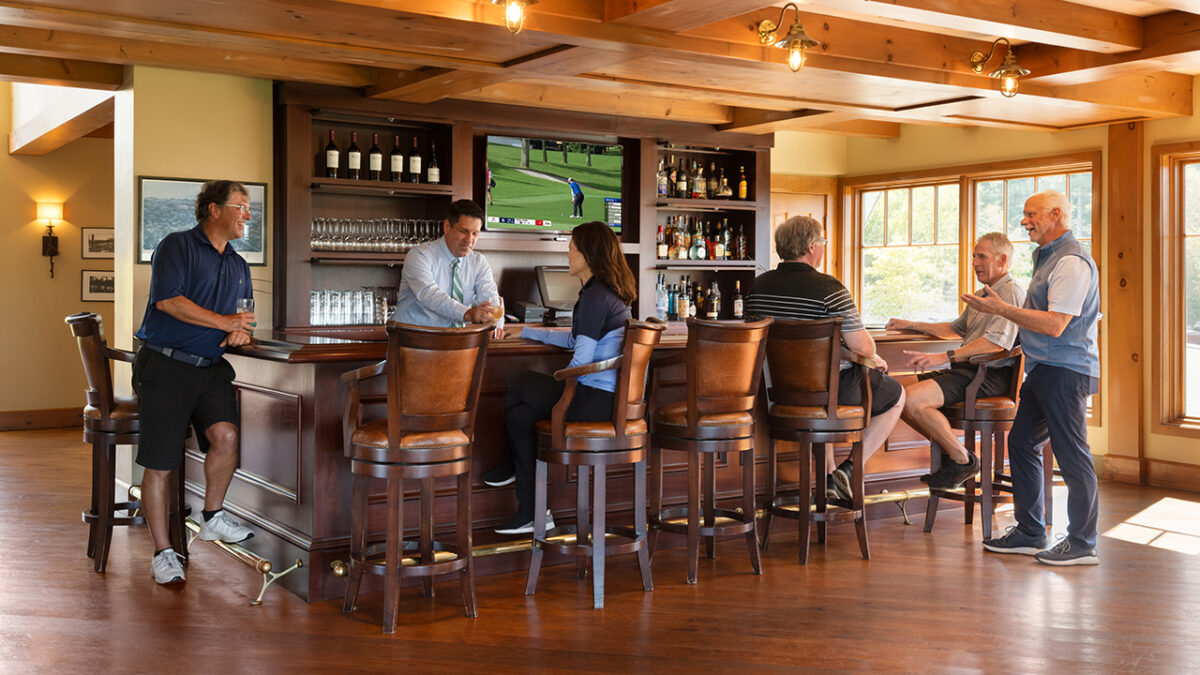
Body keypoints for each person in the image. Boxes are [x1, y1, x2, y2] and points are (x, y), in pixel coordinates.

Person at [962, 190, 1100, 566]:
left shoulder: (1071, 262)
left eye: (1031, 214)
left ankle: (1083, 542)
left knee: (1073, 456)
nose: (1024, 221)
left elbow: (1056, 325)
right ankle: (1030, 531)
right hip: (1043, 370)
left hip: (1066, 372)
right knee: (1022, 442)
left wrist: (1002, 309)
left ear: (1056, 214)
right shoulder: (1047, 258)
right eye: (1024, 215)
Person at [133, 180, 257, 585]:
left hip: (209, 367)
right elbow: (169, 301)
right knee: (162, 463)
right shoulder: (176, 246)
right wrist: (225, 323)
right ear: (213, 210)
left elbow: (242, 316)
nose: (248, 215)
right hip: (165, 367)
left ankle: (212, 515)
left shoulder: (238, 264)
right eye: (241, 207)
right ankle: (163, 552)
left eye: (248, 208)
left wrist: (241, 332)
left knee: (225, 436)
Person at [483, 221, 636, 534]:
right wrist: (523, 332)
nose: (568, 253)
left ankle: (511, 468)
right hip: (607, 400)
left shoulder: (595, 297)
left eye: (572, 247)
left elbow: (580, 362)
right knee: (519, 417)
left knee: (515, 381)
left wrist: (556, 378)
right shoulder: (606, 294)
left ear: (588, 254)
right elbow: (574, 342)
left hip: (593, 401)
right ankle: (531, 512)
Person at [745, 215, 906, 501]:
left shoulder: (757, 288)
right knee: (897, 395)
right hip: (827, 393)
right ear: (811, 247)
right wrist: (867, 356)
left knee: (825, 385)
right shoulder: (829, 289)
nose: (823, 247)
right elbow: (865, 347)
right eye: (822, 242)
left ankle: (830, 480)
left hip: (776, 396)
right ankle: (850, 469)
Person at [885, 233, 1025, 489]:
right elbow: (955, 328)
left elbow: (995, 343)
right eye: (974, 256)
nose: (974, 262)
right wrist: (911, 325)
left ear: (1003, 260)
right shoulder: (982, 294)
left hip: (989, 376)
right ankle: (957, 454)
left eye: (981, 256)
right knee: (895, 393)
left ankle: (961, 459)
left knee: (913, 400)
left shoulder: (1010, 293)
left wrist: (943, 357)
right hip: (966, 372)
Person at [394, 199, 500, 327]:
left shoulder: (478, 262)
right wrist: (467, 313)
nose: (469, 240)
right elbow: (430, 295)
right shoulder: (419, 255)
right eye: (463, 231)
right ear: (447, 227)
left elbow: (491, 299)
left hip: (458, 341)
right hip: (414, 341)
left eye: (475, 233)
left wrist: (495, 324)